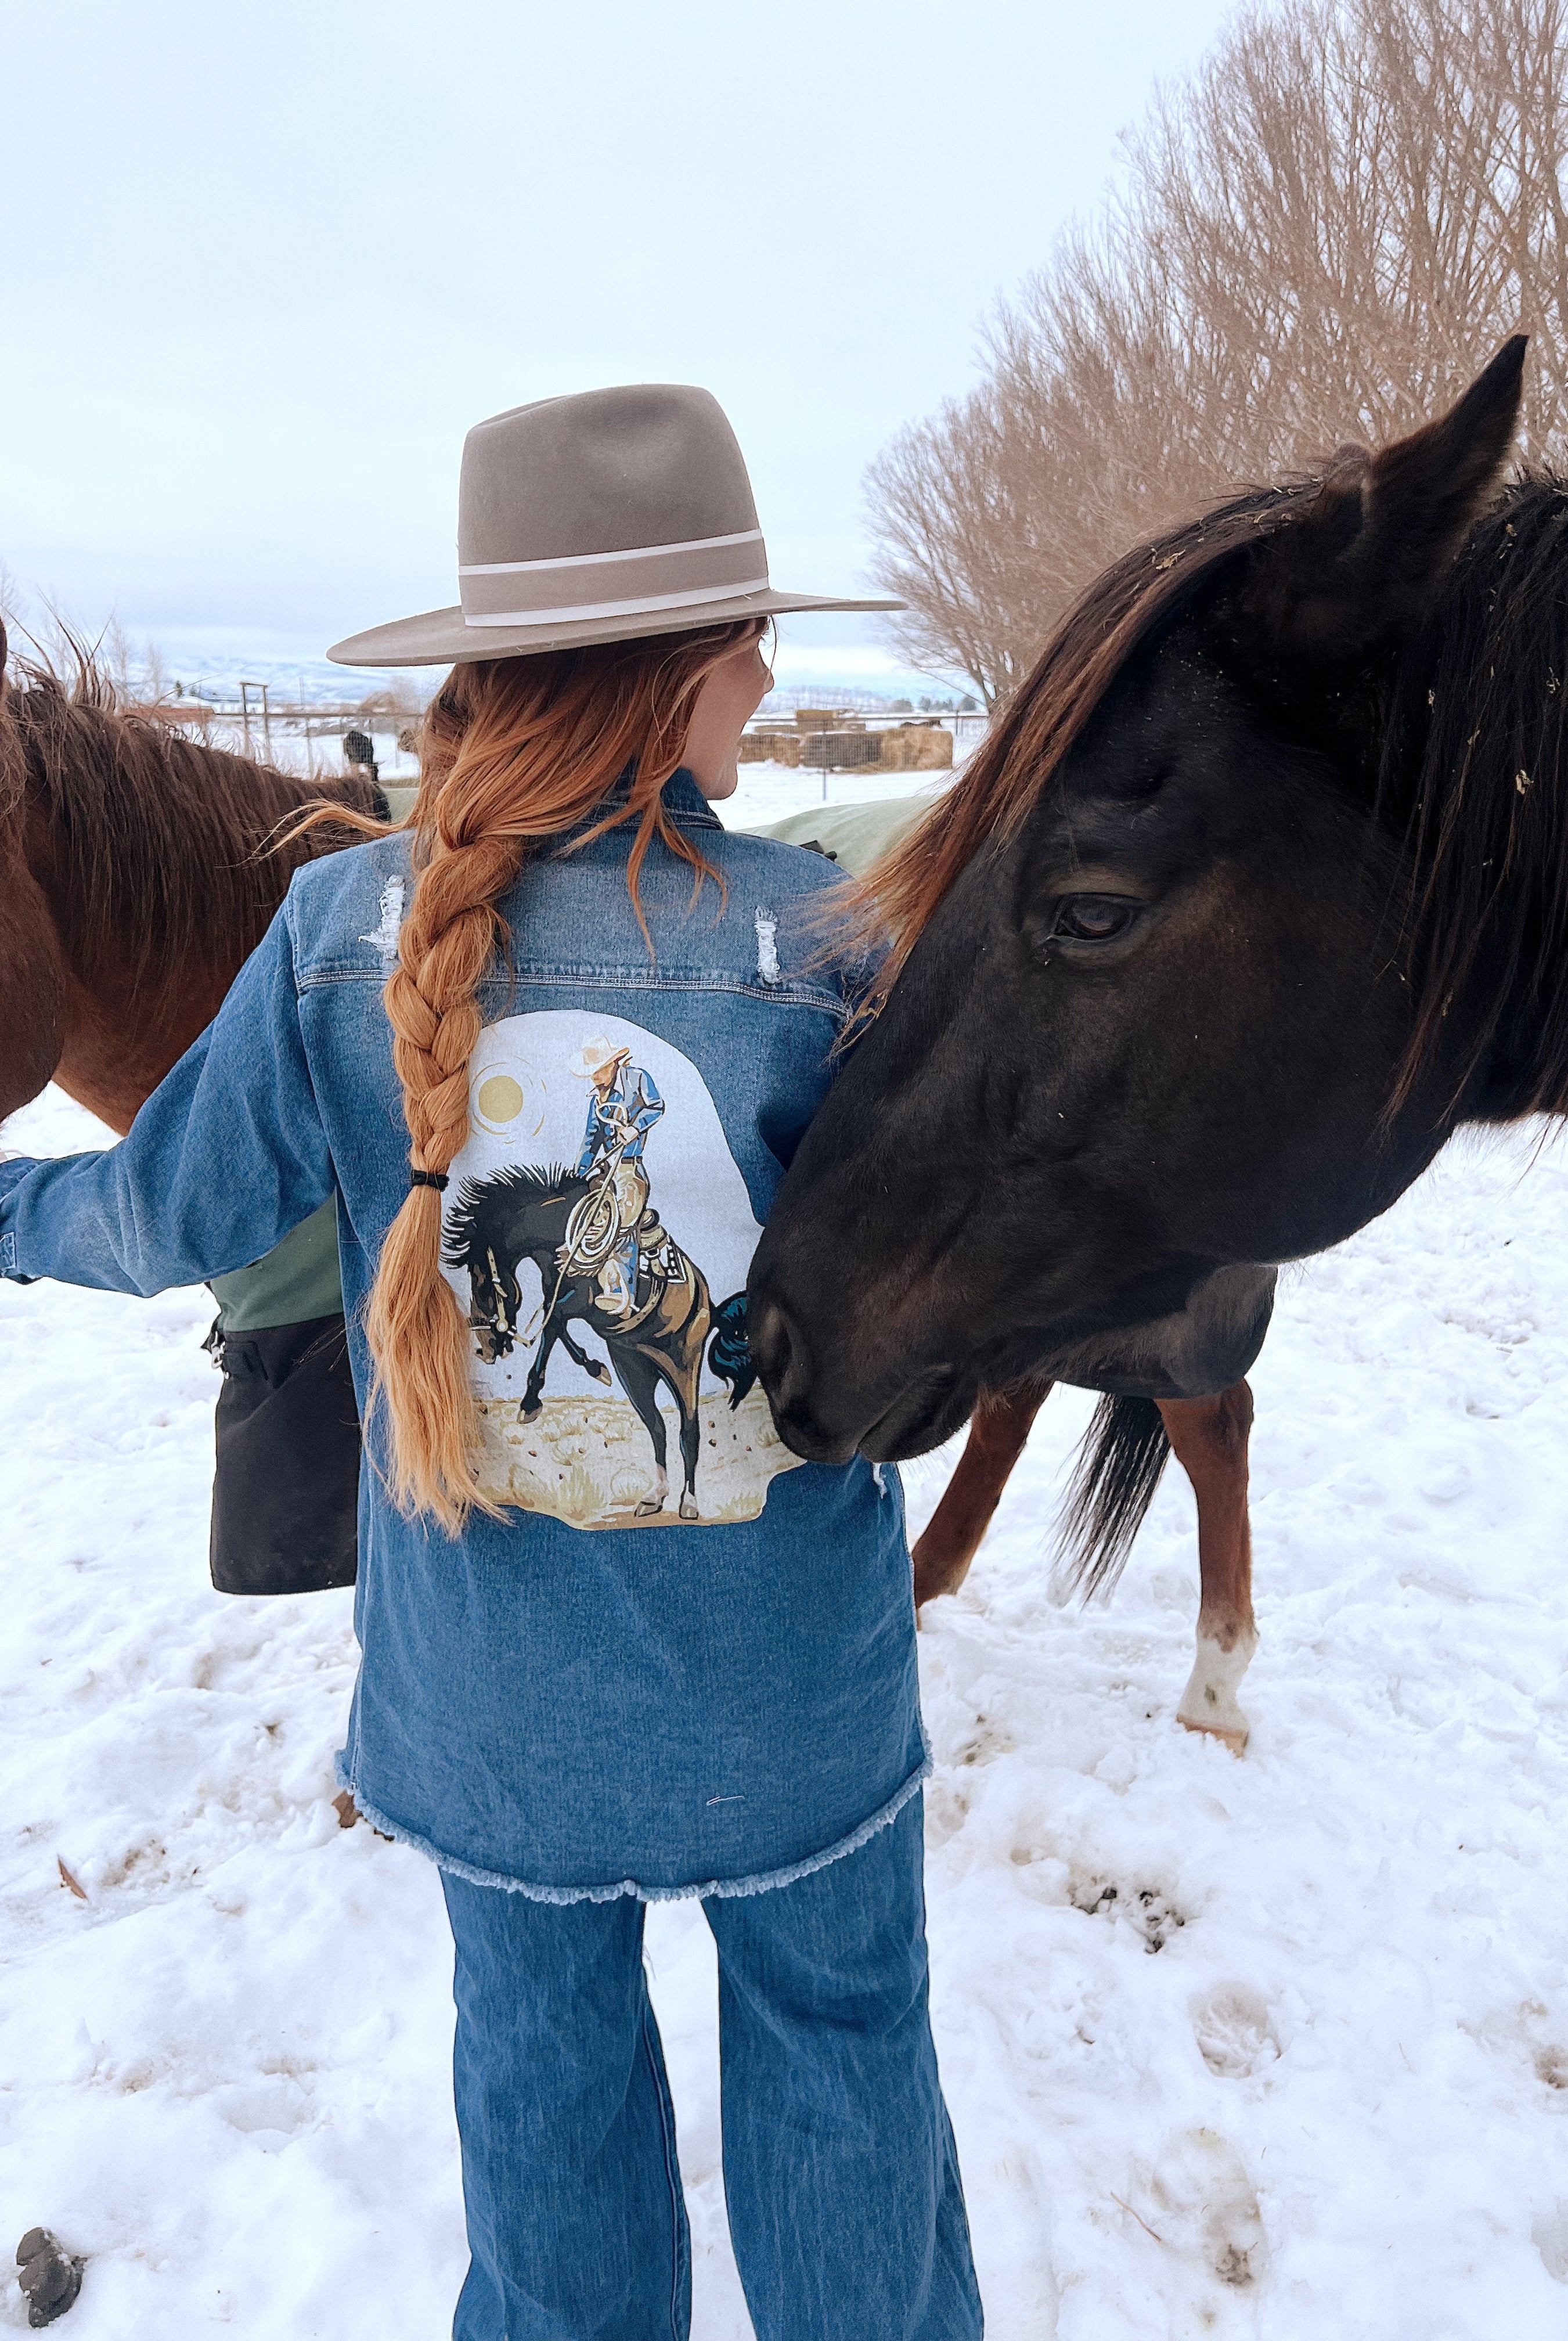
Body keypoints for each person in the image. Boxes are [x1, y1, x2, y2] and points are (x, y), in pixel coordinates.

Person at [0, 383, 983, 2341]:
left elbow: (168, 1219)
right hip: (795, 1702)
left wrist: (5, 1218)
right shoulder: (840, 940)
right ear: (686, 682)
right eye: (752, 640)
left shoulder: (327, 934)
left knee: (542, 2112)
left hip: (491, 1713)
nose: (775, 671)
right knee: (848, 2058)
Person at [568, 1035, 665, 1318]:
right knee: (586, 1216)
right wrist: (577, 1174)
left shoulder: (637, 1079)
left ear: (614, 1064)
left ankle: (621, 1292)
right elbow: (590, 1139)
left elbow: (656, 1107)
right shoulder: (596, 1100)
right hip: (605, 1171)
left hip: (629, 1167)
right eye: (592, 1073)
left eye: (599, 1069)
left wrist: (634, 1129)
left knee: (619, 1221)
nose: (595, 1078)